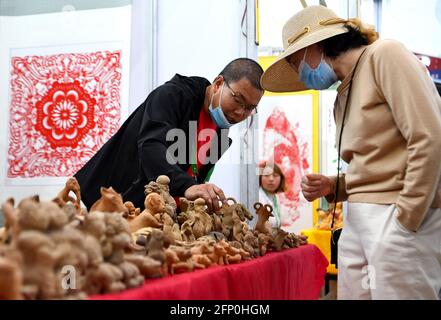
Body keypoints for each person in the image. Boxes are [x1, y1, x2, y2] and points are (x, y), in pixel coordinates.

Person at [261, 5, 441, 300]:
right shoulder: (343, 94)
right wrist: (336, 186)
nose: (299, 73)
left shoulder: (385, 55)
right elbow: (379, 160)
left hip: (396, 214)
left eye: (295, 63)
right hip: (357, 219)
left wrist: (407, 218)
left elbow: (429, 137)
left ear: (315, 46)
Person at [75, 58, 264, 213]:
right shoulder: (173, 95)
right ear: (218, 84)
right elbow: (152, 145)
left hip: (162, 210)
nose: (240, 113)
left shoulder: (222, 128)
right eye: (238, 99)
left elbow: (195, 174)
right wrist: (186, 185)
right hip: (117, 200)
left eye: (249, 108)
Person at [258, 162, 287, 229]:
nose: (271, 179)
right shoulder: (256, 196)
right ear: (260, 178)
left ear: (281, 178)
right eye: (266, 175)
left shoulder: (275, 197)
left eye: (275, 175)